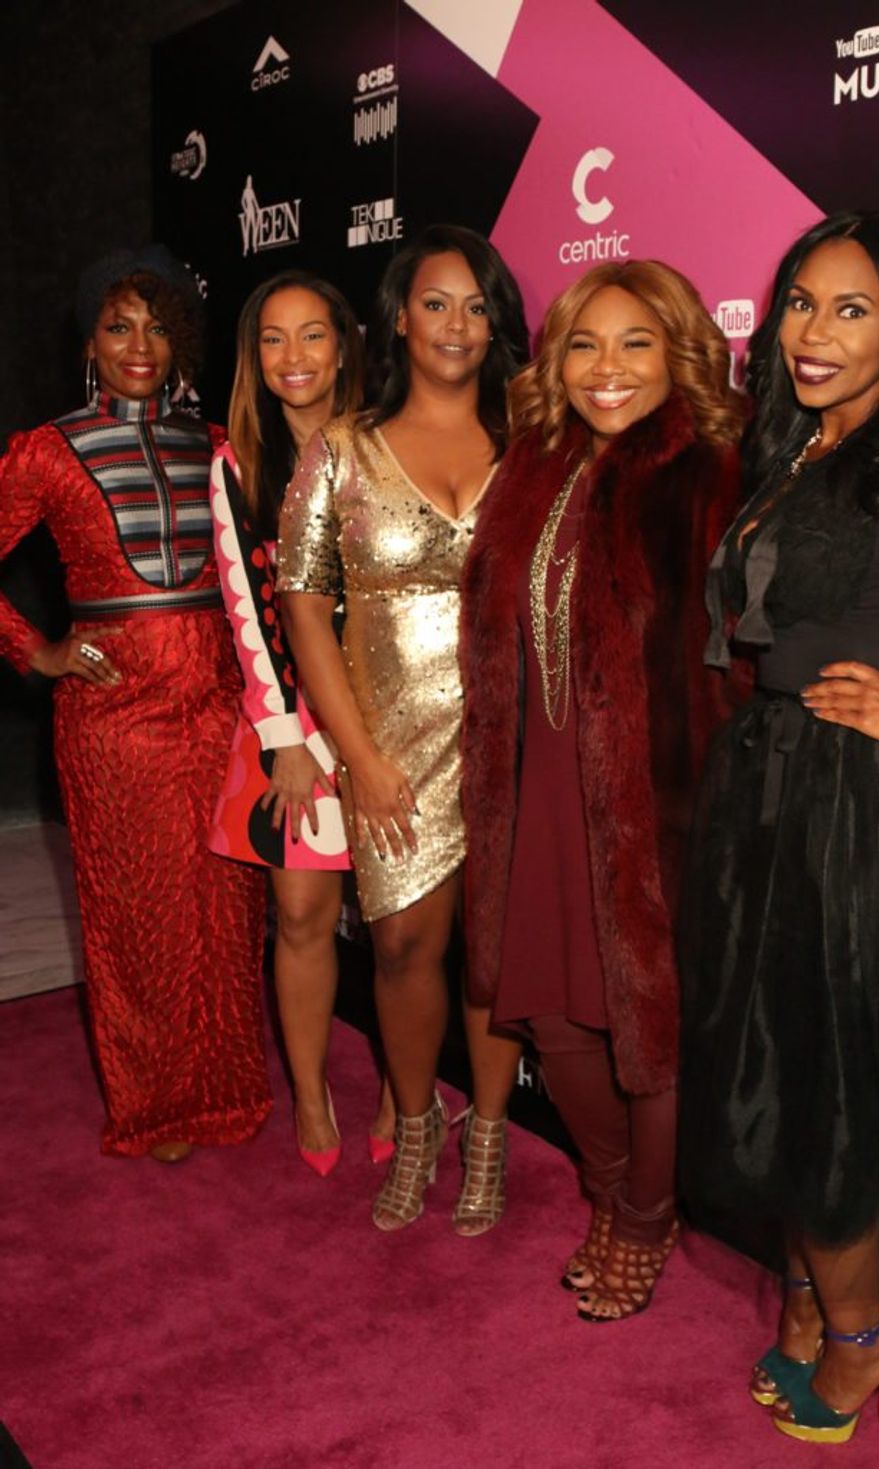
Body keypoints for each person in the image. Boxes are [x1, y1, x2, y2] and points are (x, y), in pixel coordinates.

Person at [680, 211, 879, 1442]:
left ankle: (865, 1336)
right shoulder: (799, 440)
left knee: (826, 1080)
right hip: (774, 788)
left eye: (849, 309)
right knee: (779, 1058)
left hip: (859, 810)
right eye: (800, 302)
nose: (810, 331)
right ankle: (809, 1298)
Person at [459, 260, 745, 1319]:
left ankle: (644, 1214)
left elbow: (736, 660)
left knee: (646, 1027)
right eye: (583, 344)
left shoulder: (707, 471)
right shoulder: (536, 462)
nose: (605, 368)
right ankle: (618, 1190)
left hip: (648, 800)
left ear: (678, 353)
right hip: (535, 781)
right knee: (547, 1010)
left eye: (635, 343)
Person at [277, 225, 530, 1232]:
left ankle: (489, 1135)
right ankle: (417, 1124)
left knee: (498, 955)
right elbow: (304, 608)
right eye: (434, 303)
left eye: (476, 305)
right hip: (389, 745)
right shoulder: (340, 449)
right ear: (396, 317)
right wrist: (360, 759)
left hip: (513, 739)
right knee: (400, 951)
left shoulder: (532, 444)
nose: (455, 324)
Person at [0, 245, 272, 1160]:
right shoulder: (48, 451)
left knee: (228, 908)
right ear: (90, 340)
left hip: (221, 706)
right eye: (119, 326)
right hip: (115, 719)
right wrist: (37, 649)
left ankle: (230, 1084)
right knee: (140, 915)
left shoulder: (218, 443)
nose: (140, 346)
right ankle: (158, 1106)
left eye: (158, 327)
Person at [209, 269, 395, 1175]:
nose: (293, 356)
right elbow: (246, 605)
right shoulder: (237, 464)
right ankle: (313, 1096)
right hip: (288, 719)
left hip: (394, 718)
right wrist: (286, 736)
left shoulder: (388, 447)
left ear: (344, 345)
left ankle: (403, 1092)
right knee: (300, 912)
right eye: (272, 338)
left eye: (312, 334)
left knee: (398, 920)